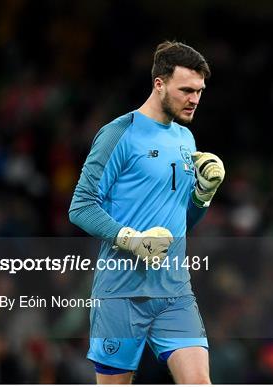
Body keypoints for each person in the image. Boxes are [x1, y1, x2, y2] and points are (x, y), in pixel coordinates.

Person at [69, 41, 225, 384]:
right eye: (186, 90)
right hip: (121, 292)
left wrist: (203, 195)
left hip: (174, 292)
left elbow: (182, 222)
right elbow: (80, 207)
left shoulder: (186, 139)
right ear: (159, 84)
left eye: (199, 91)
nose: (194, 99)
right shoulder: (118, 134)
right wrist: (131, 239)